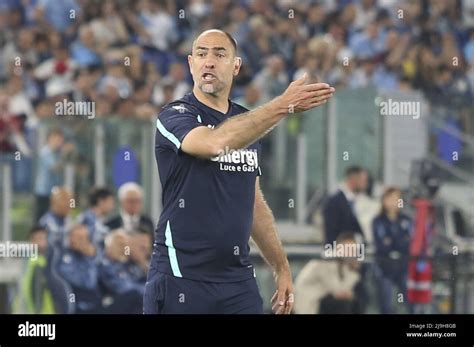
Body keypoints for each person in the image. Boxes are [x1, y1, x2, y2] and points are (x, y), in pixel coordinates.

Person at [144, 29, 335, 314]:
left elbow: (253, 203)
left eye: (219, 54)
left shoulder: (246, 124)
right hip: (181, 276)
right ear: (190, 64)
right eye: (201, 54)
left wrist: (281, 267)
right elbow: (213, 144)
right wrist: (282, 105)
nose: (209, 61)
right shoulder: (175, 115)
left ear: (236, 66)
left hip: (237, 282)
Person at [293, 233, 361, 314]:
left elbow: (345, 289)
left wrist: (353, 269)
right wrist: (353, 269)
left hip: (320, 299)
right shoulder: (326, 260)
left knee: (354, 302)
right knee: (344, 304)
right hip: (307, 300)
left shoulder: (343, 264)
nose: (349, 253)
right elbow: (338, 290)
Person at [372, 187, 412, 314]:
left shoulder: (406, 220)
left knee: (409, 303)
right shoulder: (378, 221)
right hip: (384, 267)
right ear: (384, 200)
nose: (394, 202)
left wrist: (392, 240)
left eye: (397, 199)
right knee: (386, 304)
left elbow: (408, 243)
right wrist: (399, 240)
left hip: (403, 266)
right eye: (391, 198)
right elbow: (382, 245)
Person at [323, 166, 368, 244]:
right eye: (363, 180)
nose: (366, 184)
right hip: (341, 251)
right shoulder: (335, 202)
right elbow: (331, 232)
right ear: (353, 179)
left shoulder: (359, 200)